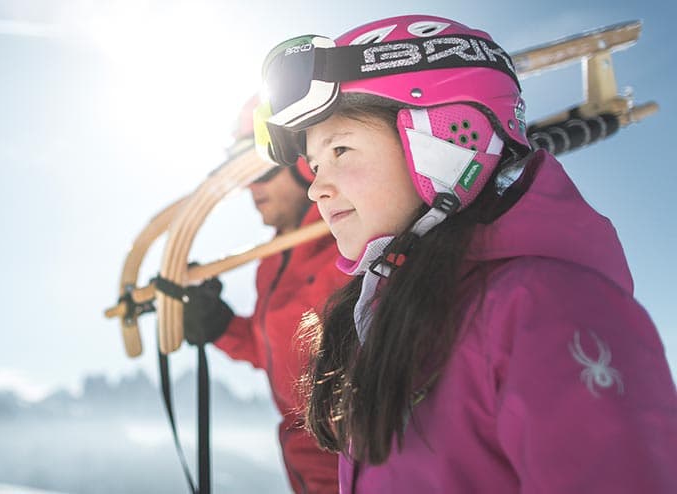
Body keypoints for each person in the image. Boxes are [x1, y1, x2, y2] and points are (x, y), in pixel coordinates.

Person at [254, 14, 677, 493]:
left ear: (446, 139)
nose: (318, 190)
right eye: (313, 166)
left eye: (341, 151)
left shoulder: (549, 311)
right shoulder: (388, 316)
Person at [181, 97, 350, 493]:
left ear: (305, 163)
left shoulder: (350, 239)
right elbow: (282, 350)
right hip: (307, 470)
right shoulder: (269, 263)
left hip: (362, 460)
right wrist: (221, 327)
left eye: (261, 171)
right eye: (243, 177)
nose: (250, 189)